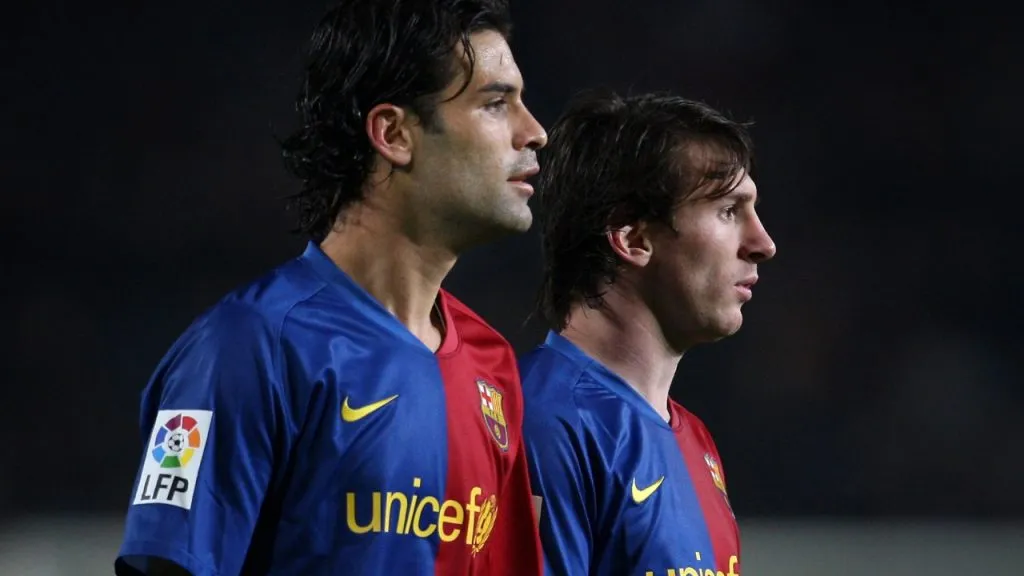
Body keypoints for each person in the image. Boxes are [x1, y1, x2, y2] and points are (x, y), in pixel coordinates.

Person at [114, 0, 548, 574]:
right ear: (394, 133)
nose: (535, 132)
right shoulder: (245, 349)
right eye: (495, 104)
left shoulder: (491, 366)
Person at [520, 90, 776, 576]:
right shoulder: (543, 421)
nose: (763, 244)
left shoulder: (695, 441)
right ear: (634, 238)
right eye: (728, 211)